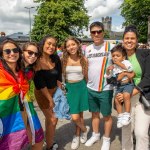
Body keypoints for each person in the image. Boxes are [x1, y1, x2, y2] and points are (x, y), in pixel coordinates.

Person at [116, 25, 150, 150]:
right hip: (124, 99)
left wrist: (130, 93)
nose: (129, 41)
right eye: (127, 38)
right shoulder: (118, 55)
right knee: (126, 132)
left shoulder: (145, 54)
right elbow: (112, 77)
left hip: (142, 98)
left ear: (136, 40)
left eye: (132, 38)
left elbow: (148, 78)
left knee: (141, 133)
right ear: (123, 39)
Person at [84, 21, 114, 150]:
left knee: (107, 116)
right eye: (93, 32)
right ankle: (96, 135)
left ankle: (106, 140)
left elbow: (120, 62)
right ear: (90, 34)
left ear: (103, 32)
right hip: (91, 88)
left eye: (99, 31)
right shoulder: (88, 49)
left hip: (105, 89)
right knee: (94, 114)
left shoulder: (111, 47)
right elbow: (86, 67)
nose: (96, 34)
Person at [33, 35, 62, 150]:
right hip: (42, 93)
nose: (51, 46)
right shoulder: (36, 60)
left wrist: (62, 91)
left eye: (54, 45)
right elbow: (40, 83)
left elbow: (59, 77)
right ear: (43, 44)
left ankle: (49, 138)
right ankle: (49, 145)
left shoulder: (55, 58)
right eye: (49, 43)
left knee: (54, 119)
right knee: (52, 119)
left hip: (55, 91)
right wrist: (50, 99)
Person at [0, 39, 29, 149]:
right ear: (2, 55)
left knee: (18, 144)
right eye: (7, 51)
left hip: (20, 114)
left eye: (15, 50)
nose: (12, 53)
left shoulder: (21, 72)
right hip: (4, 118)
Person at [62, 37, 89, 150]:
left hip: (81, 87)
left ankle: (77, 135)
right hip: (70, 88)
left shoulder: (84, 59)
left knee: (80, 115)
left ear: (77, 45)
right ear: (66, 48)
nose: (71, 47)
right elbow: (62, 76)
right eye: (68, 46)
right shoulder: (63, 59)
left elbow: (86, 76)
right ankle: (85, 130)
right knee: (75, 116)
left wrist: (86, 89)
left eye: (73, 44)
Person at [22, 42, 44, 150]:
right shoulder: (13, 67)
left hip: (27, 103)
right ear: (22, 52)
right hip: (13, 107)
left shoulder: (31, 68)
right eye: (30, 52)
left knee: (37, 138)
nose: (33, 56)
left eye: (36, 54)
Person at [106, 44, 134, 128]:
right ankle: (120, 116)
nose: (115, 57)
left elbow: (130, 69)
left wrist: (119, 64)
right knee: (117, 100)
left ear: (123, 57)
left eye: (117, 56)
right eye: (113, 56)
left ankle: (127, 115)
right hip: (118, 86)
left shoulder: (125, 62)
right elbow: (108, 77)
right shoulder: (113, 66)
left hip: (127, 84)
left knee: (126, 95)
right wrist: (108, 70)